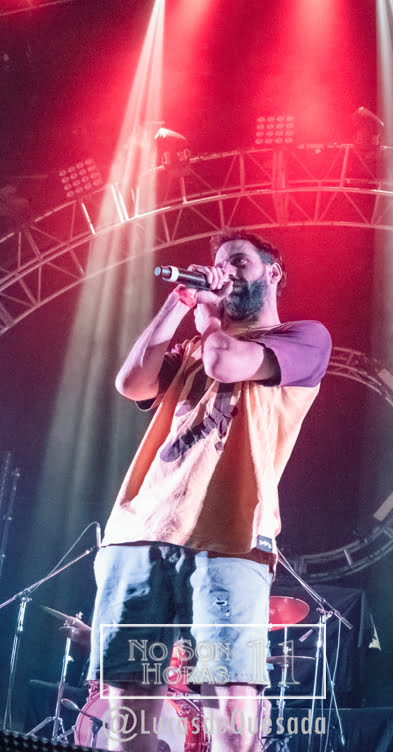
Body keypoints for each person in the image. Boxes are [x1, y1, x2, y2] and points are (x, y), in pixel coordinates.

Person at [89, 230, 331, 752]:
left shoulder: (301, 338)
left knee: (230, 708)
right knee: (130, 708)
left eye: (240, 261)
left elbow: (226, 363)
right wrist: (179, 302)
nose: (225, 271)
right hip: (138, 532)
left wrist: (211, 318)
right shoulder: (194, 344)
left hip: (230, 539)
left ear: (273, 273)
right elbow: (131, 383)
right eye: (219, 263)